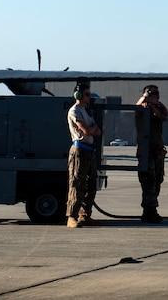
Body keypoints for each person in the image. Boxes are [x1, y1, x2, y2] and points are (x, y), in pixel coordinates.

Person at [66, 81, 102, 228]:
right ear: (79, 95)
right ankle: (71, 216)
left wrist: (91, 129)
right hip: (79, 150)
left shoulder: (86, 111)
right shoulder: (74, 111)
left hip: (89, 150)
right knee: (77, 184)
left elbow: (97, 131)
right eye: (86, 94)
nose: (89, 97)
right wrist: (91, 129)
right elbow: (87, 130)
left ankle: (85, 215)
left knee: (90, 184)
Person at [135, 84, 168, 223]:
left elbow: (164, 116)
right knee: (148, 182)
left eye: (157, 92)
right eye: (153, 93)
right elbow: (136, 107)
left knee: (158, 180)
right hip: (146, 151)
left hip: (158, 150)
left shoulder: (157, 107)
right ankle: (149, 210)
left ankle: (151, 209)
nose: (155, 95)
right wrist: (145, 99)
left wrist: (156, 104)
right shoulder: (141, 108)